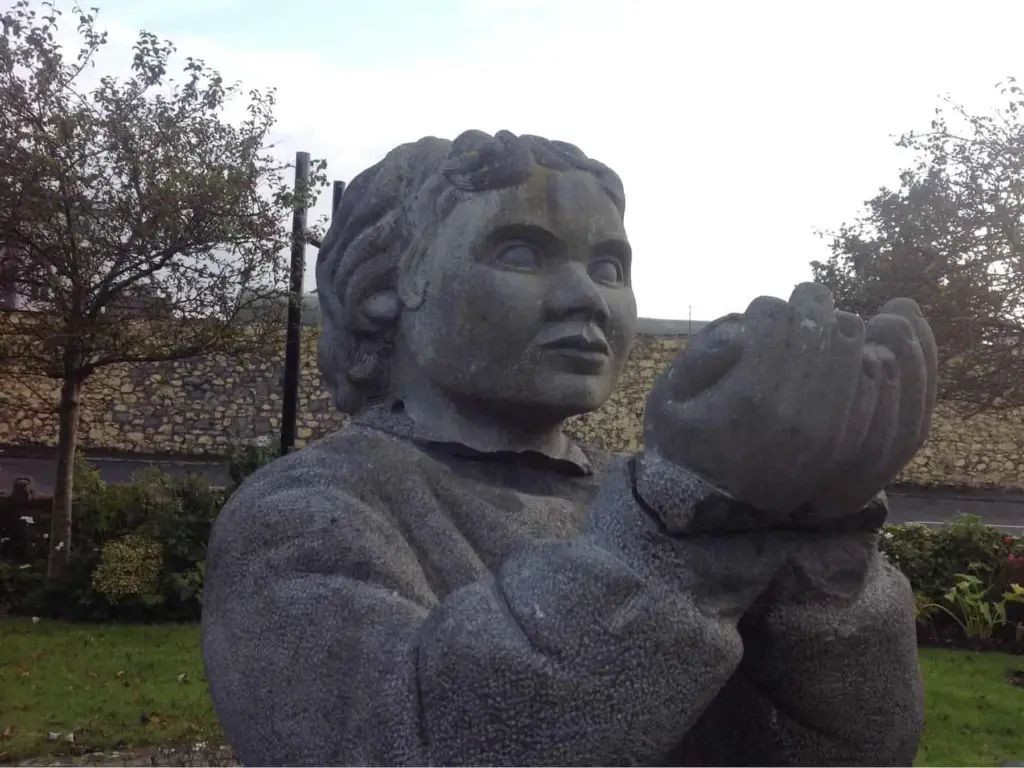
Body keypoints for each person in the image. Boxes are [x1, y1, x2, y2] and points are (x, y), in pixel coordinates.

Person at [202, 130, 931, 766]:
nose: (587, 296)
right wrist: (682, 533)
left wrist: (820, 553)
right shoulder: (306, 514)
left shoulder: (643, 506)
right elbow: (413, 744)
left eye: (612, 266)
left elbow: (843, 749)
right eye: (521, 251)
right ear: (382, 292)